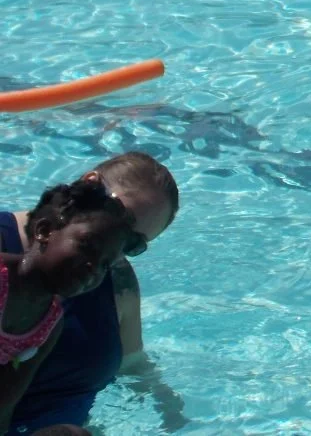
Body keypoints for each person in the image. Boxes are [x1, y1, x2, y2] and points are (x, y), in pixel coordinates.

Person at [1, 152, 180, 435]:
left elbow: (132, 361)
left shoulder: (117, 281)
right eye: (121, 219)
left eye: (134, 245)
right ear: (90, 184)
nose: (118, 246)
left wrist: (170, 407)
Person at [1, 181, 133, 434]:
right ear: (45, 230)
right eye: (87, 247)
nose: (92, 268)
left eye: (105, 265)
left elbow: (5, 403)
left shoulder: (48, 324)